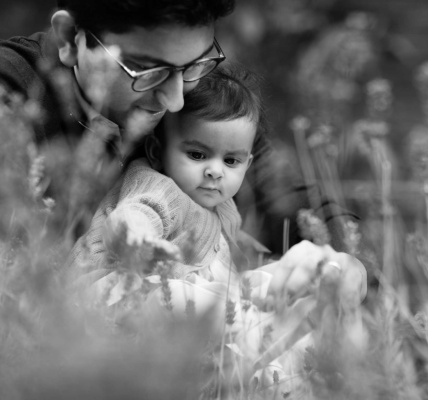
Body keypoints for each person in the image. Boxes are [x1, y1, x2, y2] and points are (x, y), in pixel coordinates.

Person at [1, 0, 370, 303]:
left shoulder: (200, 96)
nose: (175, 100)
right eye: (146, 72)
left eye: (195, 65)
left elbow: (294, 200)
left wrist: (347, 263)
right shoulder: (12, 96)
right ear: (69, 38)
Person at [68, 64, 367, 390]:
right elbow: (131, 217)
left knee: (278, 294)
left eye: (230, 161)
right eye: (197, 154)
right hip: (113, 294)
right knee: (219, 312)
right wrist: (141, 243)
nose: (215, 171)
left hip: (177, 307)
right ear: (157, 151)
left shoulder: (224, 209)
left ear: (248, 163)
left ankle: (297, 364)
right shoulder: (158, 187)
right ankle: (263, 365)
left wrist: (269, 280)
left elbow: (222, 271)